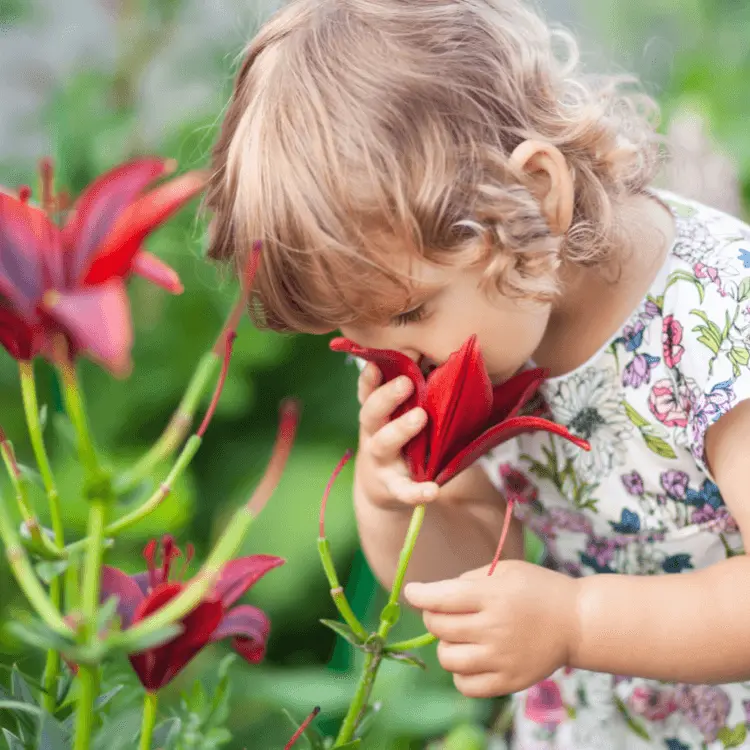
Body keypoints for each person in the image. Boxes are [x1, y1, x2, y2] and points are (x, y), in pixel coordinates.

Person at [202, 0, 750, 746]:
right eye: (357, 338)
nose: (399, 361)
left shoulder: (716, 323)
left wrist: (576, 621)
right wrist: (393, 496)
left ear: (535, 197)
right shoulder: (498, 320)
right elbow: (465, 564)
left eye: (407, 314)